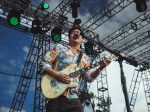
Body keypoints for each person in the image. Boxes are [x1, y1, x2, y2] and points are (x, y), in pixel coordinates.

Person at [40, 25, 111, 112]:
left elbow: (88, 77)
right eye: (73, 32)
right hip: (56, 96)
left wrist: (100, 67)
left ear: (82, 40)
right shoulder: (59, 48)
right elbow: (43, 62)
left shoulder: (85, 58)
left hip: (74, 98)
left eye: (79, 33)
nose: (76, 34)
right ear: (69, 36)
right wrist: (56, 74)